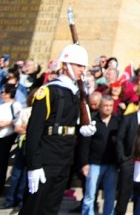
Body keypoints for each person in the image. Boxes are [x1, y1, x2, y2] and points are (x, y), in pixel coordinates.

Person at [21, 44, 96, 215]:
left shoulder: (75, 93)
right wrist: (34, 165)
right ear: (65, 65)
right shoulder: (48, 91)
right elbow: (34, 131)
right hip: (46, 158)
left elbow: (68, 124)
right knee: (33, 208)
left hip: (64, 158)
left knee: (51, 208)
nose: (82, 70)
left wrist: (81, 130)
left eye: (83, 66)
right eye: (78, 65)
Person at [115, 84, 140, 215]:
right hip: (129, 161)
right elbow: (120, 139)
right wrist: (122, 159)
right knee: (123, 197)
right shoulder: (129, 118)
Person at [80, 95, 120, 215]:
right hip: (94, 163)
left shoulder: (117, 121)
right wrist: (84, 163)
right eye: (105, 106)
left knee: (110, 195)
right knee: (90, 195)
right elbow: (85, 144)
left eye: (110, 106)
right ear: (100, 106)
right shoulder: (92, 121)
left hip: (112, 164)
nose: (108, 108)